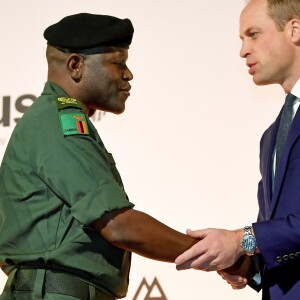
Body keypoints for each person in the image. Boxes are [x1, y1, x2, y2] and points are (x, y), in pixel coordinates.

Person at [0, 13, 198, 300]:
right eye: (118, 63)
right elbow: (119, 226)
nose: (128, 74)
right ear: (76, 65)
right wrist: (214, 253)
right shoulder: (58, 121)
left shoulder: (55, 119)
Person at [175, 0, 300, 299]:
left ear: (294, 29)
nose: (243, 50)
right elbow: (277, 233)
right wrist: (245, 264)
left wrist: (239, 240)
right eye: (241, 39)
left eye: (253, 34)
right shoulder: (270, 137)